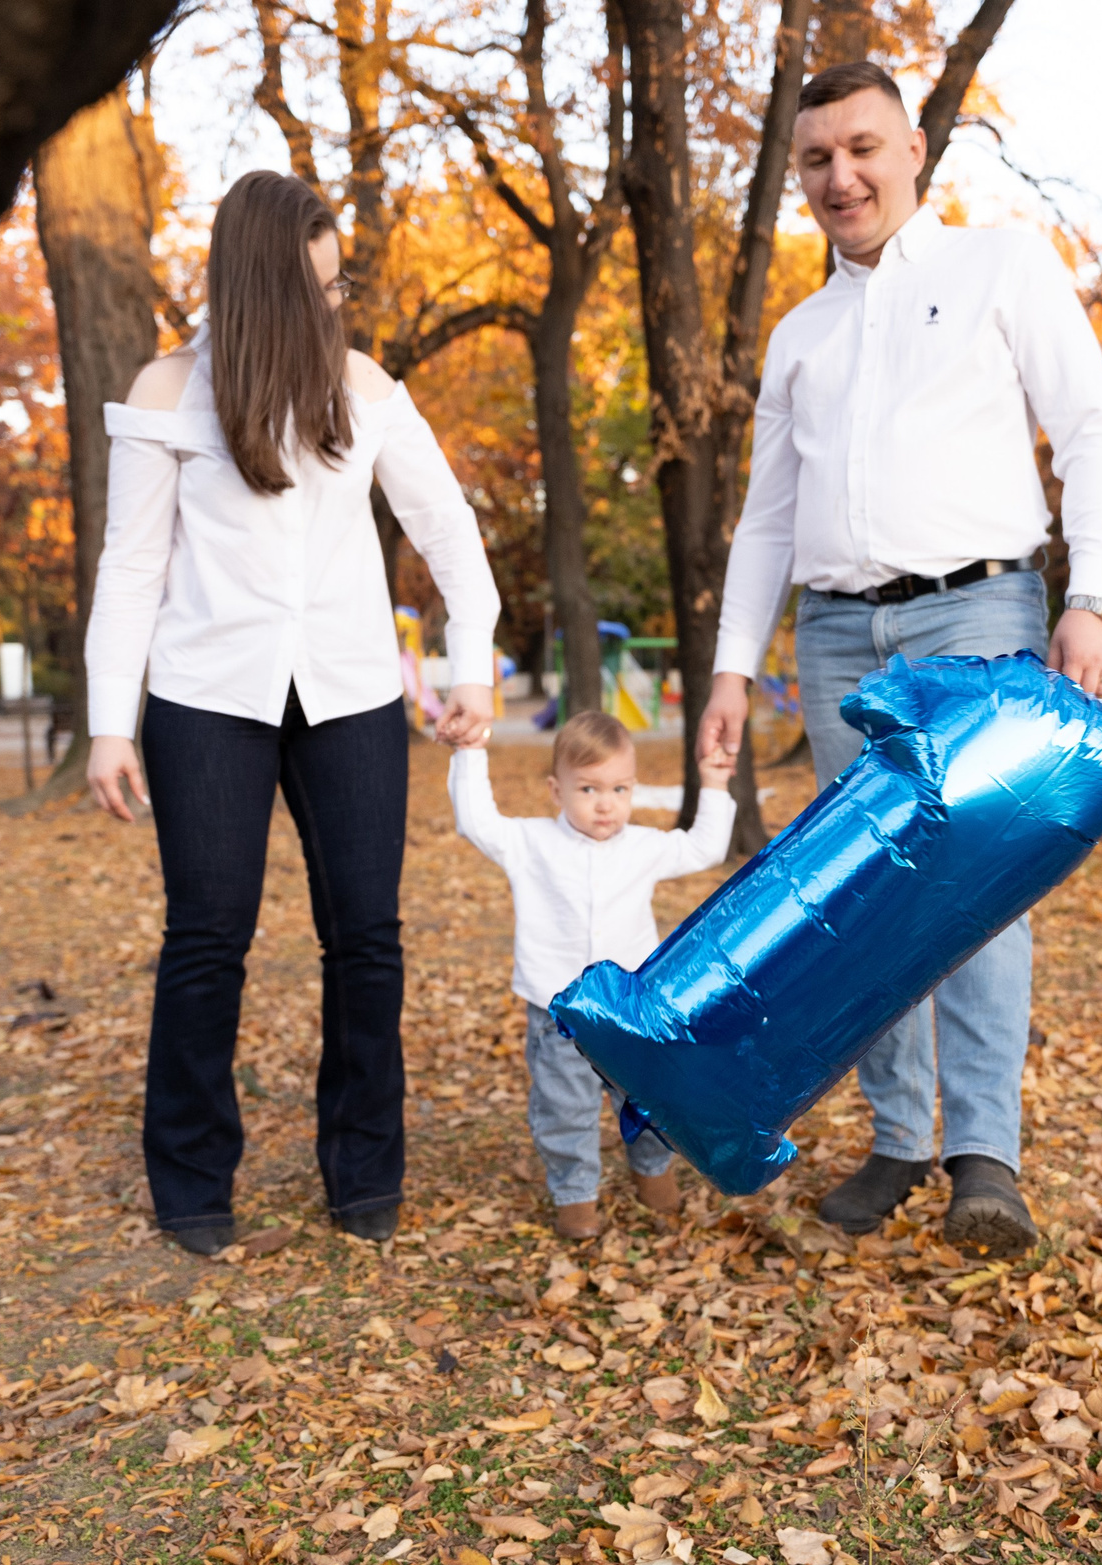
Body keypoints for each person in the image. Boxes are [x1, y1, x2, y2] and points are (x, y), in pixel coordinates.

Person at [697, 62, 1102, 1256]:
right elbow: (767, 520)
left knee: (976, 895)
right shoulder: (797, 336)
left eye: (863, 148)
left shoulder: (999, 266)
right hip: (838, 632)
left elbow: (1091, 428)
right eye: (817, 159)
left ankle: (982, 1156)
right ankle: (896, 1137)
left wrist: (1095, 598)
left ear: (914, 153)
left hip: (977, 617)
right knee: (863, 902)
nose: (842, 176)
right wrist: (733, 668)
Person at [85, 170, 501, 1255]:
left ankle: (363, 1176)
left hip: (353, 694)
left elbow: (449, 531)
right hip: (206, 699)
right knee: (205, 941)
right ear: (257, 280)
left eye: (336, 284)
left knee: (365, 938)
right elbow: (131, 567)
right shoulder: (170, 391)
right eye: (311, 287)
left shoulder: (362, 387)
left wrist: (471, 666)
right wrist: (107, 725)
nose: (329, 305)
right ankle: (189, 1187)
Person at [449, 712, 735, 1241]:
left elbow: (704, 849)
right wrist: (469, 753)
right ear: (557, 790)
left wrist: (714, 782)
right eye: (588, 789)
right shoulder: (529, 843)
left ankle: (653, 1173)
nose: (606, 804)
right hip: (557, 1014)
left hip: (632, 1010)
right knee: (565, 1110)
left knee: (650, 1100)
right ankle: (575, 1197)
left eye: (619, 789)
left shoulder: (642, 847)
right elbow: (476, 822)